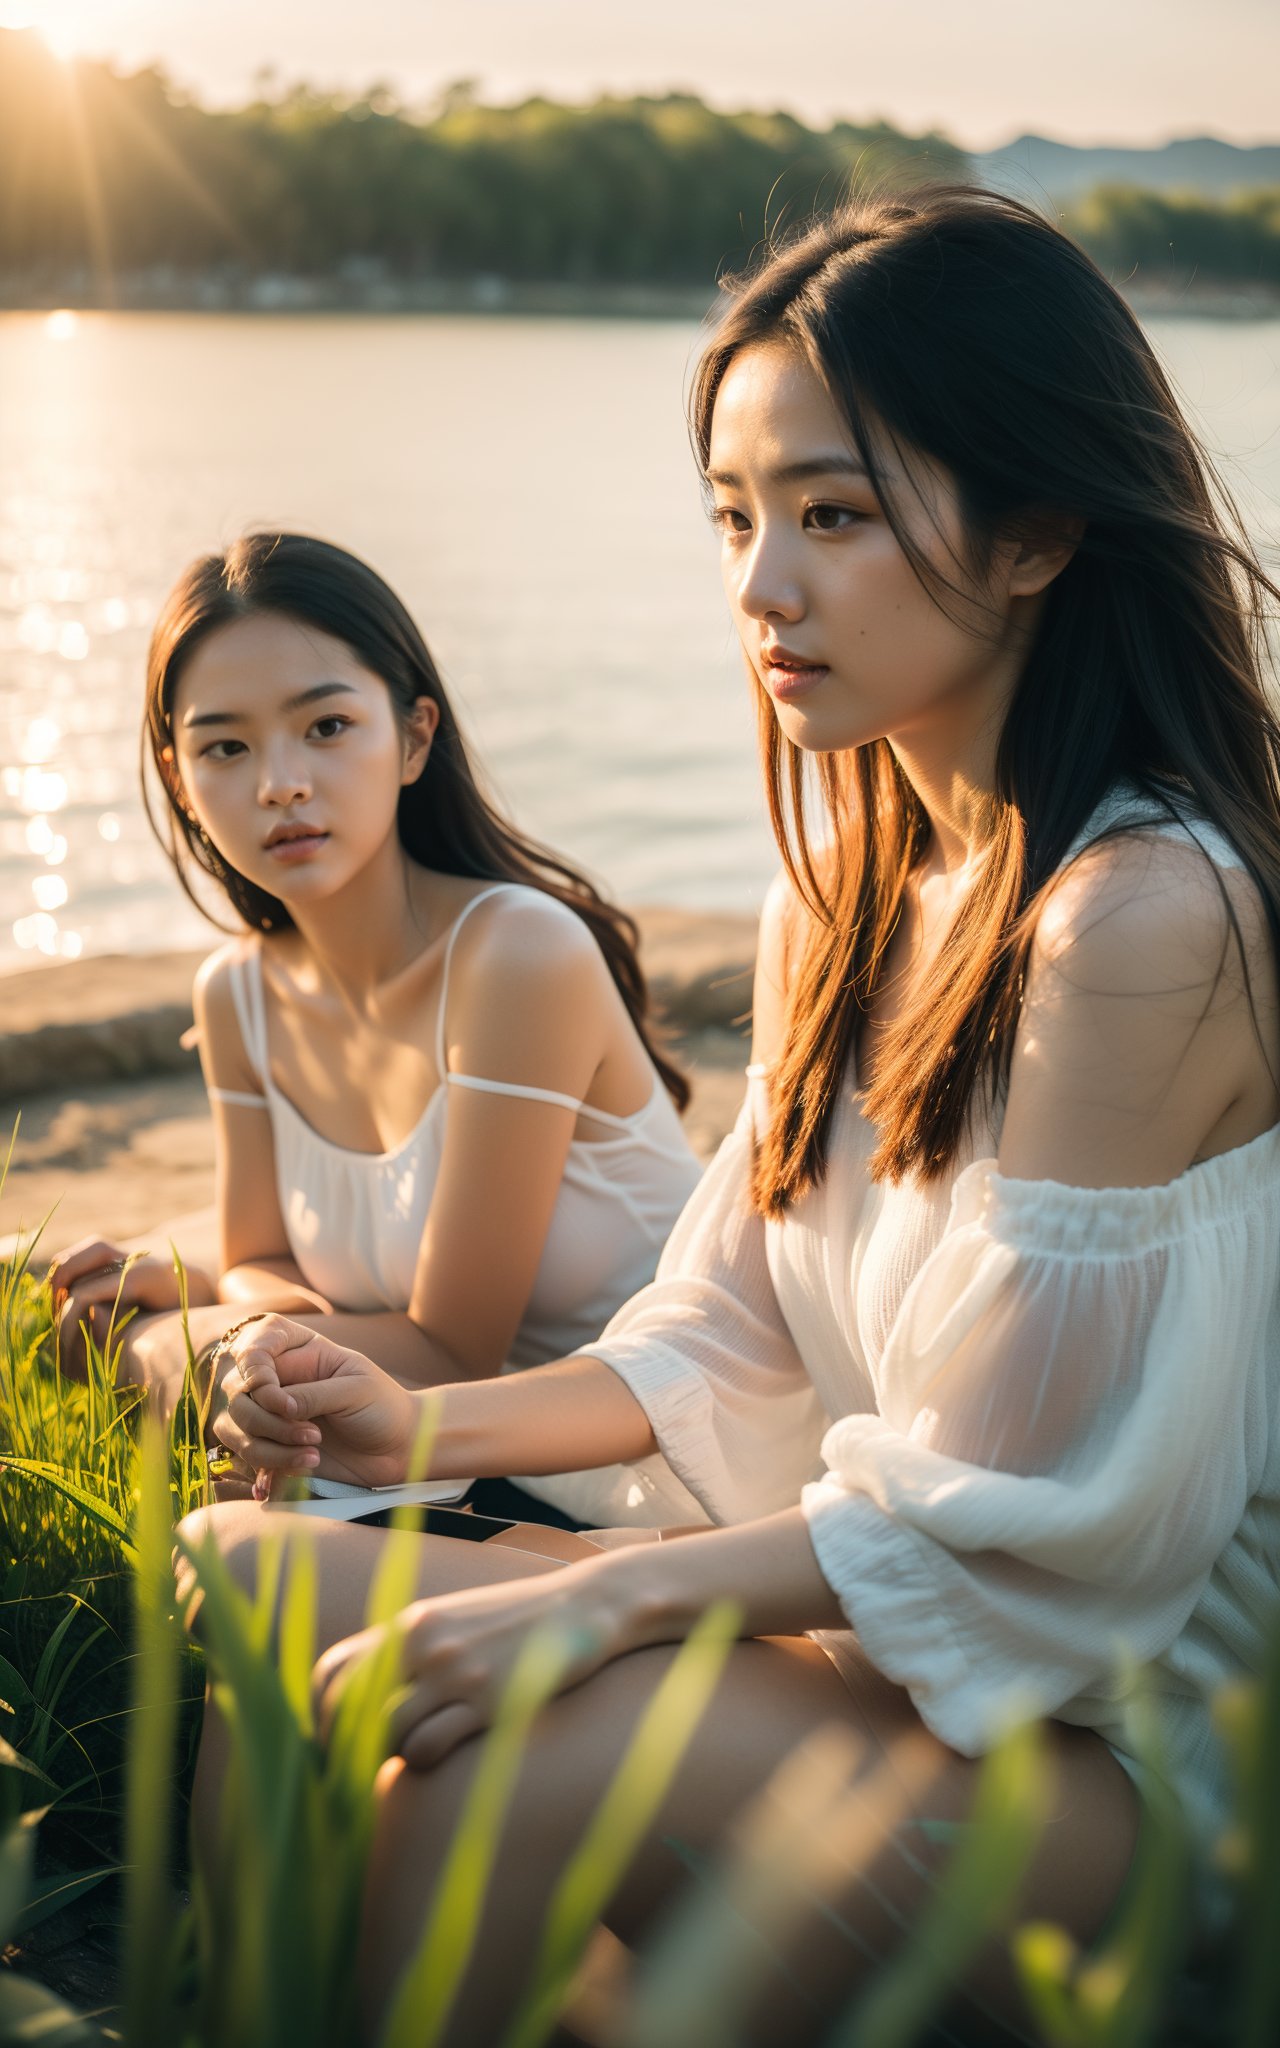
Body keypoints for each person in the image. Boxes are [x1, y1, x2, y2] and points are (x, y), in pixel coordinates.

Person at [190, 185, 1280, 2044]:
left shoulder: (1147, 917)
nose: (761, 587)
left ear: (1034, 534)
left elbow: (1013, 1529)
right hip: (879, 1646)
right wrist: (409, 1416)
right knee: (244, 1573)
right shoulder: (847, 880)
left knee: (502, 1742)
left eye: (833, 515)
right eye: (735, 515)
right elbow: (723, 1321)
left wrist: (602, 1596)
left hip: (1114, 1737)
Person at [50, 533, 705, 1531]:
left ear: (412, 737)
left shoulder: (515, 955)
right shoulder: (236, 995)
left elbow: (451, 1351)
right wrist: (240, 1314)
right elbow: (267, 1256)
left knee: (200, 1419)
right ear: (181, 780)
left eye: (325, 726)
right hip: (433, 1448)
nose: (279, 782)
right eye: (224, 745)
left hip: (656, 1460)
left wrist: (215, 1339)